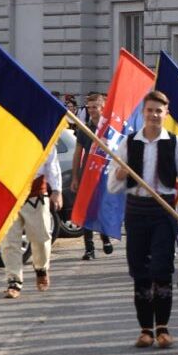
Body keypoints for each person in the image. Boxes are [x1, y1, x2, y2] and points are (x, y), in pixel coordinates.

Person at [106, 90, 178, 349]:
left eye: (159, 111)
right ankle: (145, 329)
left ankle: (162, 327)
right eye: (149, 110)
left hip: (164, 213)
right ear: (143, 112)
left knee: (161, 269)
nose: (153, 115)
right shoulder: (129, 143)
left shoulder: (174, 143)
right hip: (136, 211)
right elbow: (112, 186)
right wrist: (118, 173)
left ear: (165, 113)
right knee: (140, 271)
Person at [2, 147, 62, 299]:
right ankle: (14, 281)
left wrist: (56, 190)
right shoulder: (3, 130)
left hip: (35, 194)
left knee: (41, 238)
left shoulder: (41, 132)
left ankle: (41, 269)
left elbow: (51, 163)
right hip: (8, 193)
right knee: (9, 242)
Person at [71, 92, 114, 260]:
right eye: (89, 107)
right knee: (87, 211)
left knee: (102, 208)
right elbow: (77, 153)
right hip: (87, 175)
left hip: (105, 175)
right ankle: (89, 248)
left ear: (103, 108)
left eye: (95, 107)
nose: (91, 110)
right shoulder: (84, 129)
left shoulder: (110, 129)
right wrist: (75, 177)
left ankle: (105, 237)